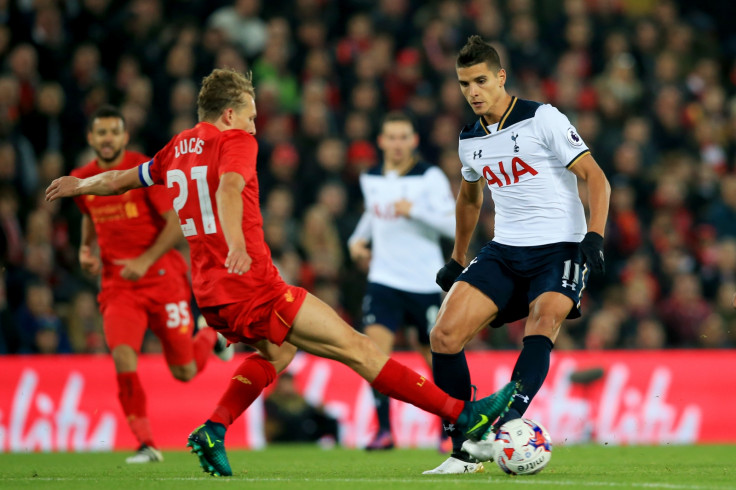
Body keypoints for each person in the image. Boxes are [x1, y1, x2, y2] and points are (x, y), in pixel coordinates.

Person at [46, 68, 518, 477]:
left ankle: (213, 429)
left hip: (210, 293)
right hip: (251, 283)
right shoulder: (235, 141)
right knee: (358, 348)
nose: (255, 124)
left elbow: (125, 178)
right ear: (230, 114)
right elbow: (230, 187)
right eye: (251, 115)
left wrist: (81, 184)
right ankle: (464, 415)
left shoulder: (176, 149)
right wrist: (235, 242)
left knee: (278, 355)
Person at [424, 36, 610, 475]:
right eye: (464, 83)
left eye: (481, 80)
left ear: (501, 77)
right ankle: (465, 449)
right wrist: (456, 258)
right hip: (505, 249)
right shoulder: (469, 140)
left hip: (560, 246)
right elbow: (469, 200)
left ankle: (504, 427)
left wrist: (595, 236)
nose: (472, 91)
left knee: (543, 322)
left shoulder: (541, 117)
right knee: (443, 336)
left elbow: (596, 177)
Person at [70, 105, 233, 464]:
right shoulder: (82, 179)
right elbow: (88, 215)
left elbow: (176, 225)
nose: (108, 138)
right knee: (123, 357)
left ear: (125, 136)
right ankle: (146, 443)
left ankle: (213, 335)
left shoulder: (143, 172)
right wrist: (86, 248)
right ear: (91, 138)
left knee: (185, 371)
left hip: (162, 280)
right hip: (119, 287)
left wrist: (144, 260)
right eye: (102, 133)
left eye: (114, 132)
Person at [348, 111, 455, 450]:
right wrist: (356, 240)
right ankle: (383, 431)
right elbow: (373, 213)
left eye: (403, 137)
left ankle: (447, 430)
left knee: (435, 359)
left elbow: (453, 226)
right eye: (391, 137)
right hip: (383, 279)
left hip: (424, 281)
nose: (397, 144)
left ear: (414, 141)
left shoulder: (430, 177)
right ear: (381, 141)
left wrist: (416, 211)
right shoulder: (372, 177)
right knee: (374, 355)